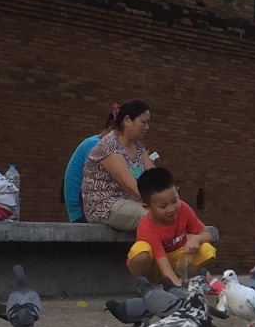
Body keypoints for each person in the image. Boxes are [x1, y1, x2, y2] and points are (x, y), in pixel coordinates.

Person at [127, 167, 218, 286]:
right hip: (155, 266)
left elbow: (206, 234)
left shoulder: (183, 208)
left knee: (207, 250)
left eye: (174, 201)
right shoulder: (147, 227)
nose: (171, 209)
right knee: (140, 251)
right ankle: (147, 286)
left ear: (177, 192)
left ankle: (186, 280)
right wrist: (177, 289)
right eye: (163, 206)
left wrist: (196, 239)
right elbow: (163, 264)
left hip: (176, 260)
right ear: (147, 207)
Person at [80, 101, 157, 233]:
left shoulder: (138, 145)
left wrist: (168, 196)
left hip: (132, 202)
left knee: (173, 211)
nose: (147, 127)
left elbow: (153, 176)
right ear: (127, 120)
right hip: (106, 206)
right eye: (143, 122)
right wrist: (159, 203)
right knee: (157, 216)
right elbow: (129, 184)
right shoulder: (109, 146)